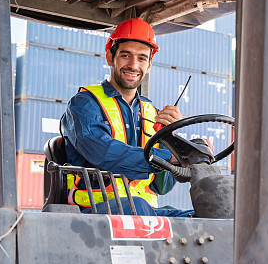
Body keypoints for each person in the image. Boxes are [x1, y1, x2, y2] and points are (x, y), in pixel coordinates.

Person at [60, 17, 194, 217]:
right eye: (126, 55)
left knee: (205, 215)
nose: (133, 65)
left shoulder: (152, 112)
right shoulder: (84, 105)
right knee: (137, 206)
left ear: (149, 64)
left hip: (144, 214)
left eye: (141, 58)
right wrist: (174, 158)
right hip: (92, 217)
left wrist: (171, 140)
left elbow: (162, 187)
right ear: (109, 57)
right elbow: (105, 155)